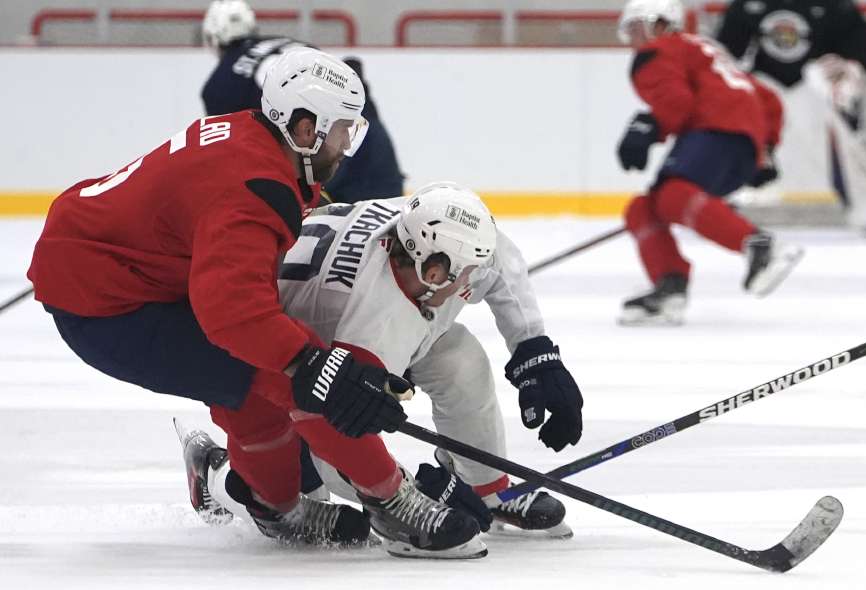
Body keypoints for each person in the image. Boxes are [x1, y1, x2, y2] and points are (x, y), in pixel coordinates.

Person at [27, 47, 482, 558]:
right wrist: (317, 364)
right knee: (282, 378)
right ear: (306, 130)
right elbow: (234, 315)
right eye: (342, 131)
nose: (346, 145)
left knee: (253, 384)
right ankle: (392, 501)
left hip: (118, 273)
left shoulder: (254, 138)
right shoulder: (254, 188)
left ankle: (271, 505)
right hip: (108, 306)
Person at [180, 183, 583, 542]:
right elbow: (341, 440)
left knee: (461, 362)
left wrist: (535, 354)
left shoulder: (425, 229)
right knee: (285, 499)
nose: (470, 284)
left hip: (348, 337)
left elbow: (500, 262)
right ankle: (213, 471)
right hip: (277, 361)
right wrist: (418, 494)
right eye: (465, 276)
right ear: (433, 271)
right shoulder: (368, 317)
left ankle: (487, 488)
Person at [615, 0, 803, 327]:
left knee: (671, 196)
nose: (632, 38)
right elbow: (769, 100)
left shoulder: (660, 50)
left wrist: (649, 128)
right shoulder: (708, 50)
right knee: (645, 208)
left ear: (660, 24)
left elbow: (676, 101)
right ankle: (669, 286)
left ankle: (762, 247)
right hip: (742, 138)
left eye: (636, 27)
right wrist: (766, 149)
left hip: (716, 129)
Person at [200, 0, 405, 203]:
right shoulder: (293, 44)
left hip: (320, 151)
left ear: (213, 38)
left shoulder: (219, 84)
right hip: (367, 135)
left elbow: (233, 152)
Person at [714, 0, 866, 231]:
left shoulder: (833, 5)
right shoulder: (748, 3)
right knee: (737, 130)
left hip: (810, 80)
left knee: (834, 142)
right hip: (765, 81)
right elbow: (728, 46)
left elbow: (859, 35)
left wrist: (850, 66)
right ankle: (722, 195)